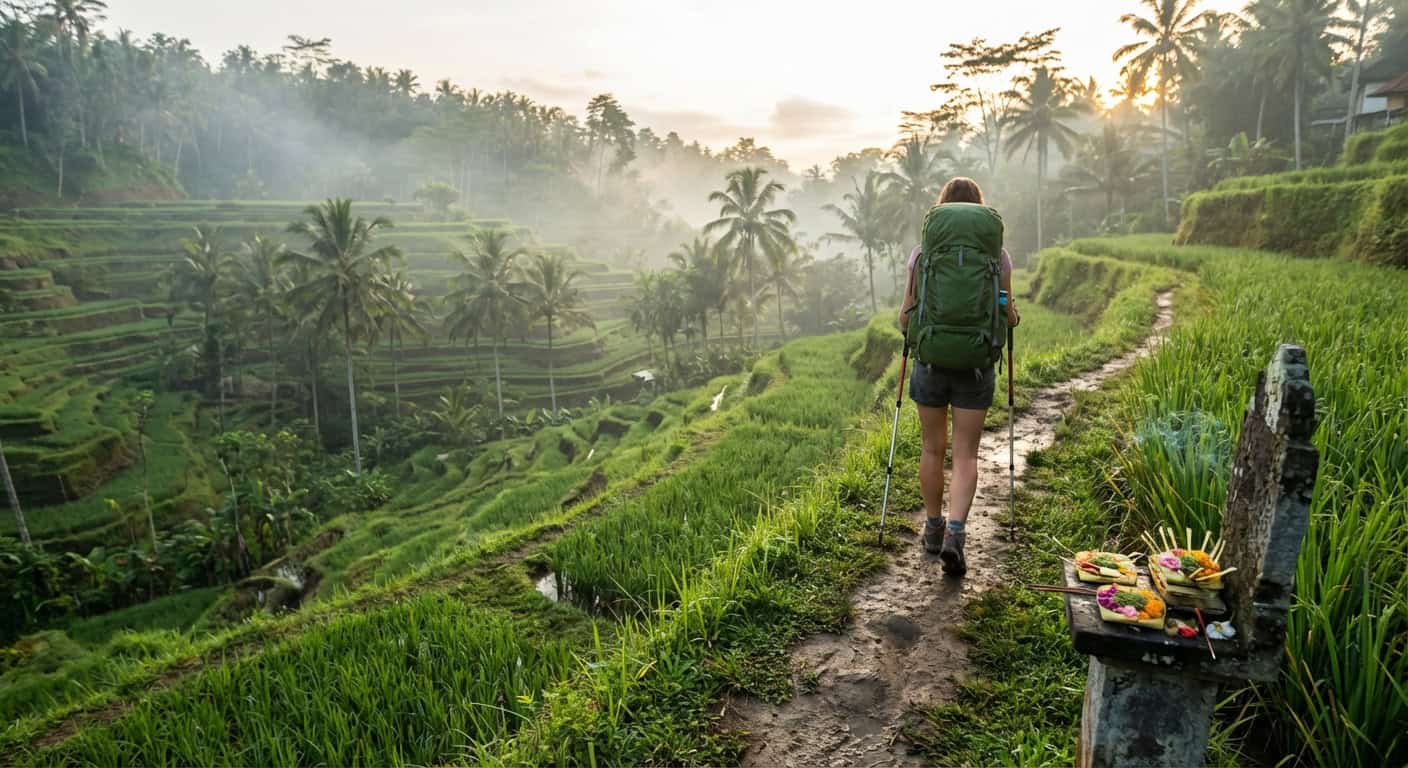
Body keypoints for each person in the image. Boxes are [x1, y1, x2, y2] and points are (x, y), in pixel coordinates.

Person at [897, 177, 1019, 577]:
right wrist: (1012, 316)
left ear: (942, 210)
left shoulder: (921, 255)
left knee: (933, 448)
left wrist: (912, 327)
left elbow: (906, 314)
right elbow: (1006, 311)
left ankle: (932, 529)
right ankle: (955, 534)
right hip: (977, 364)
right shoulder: (998, 257)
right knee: (966, 453)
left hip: (931, 360)